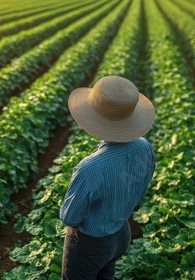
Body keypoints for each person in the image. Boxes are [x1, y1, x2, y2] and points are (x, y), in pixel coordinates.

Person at [60, 76, 156, 279]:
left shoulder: (90, 168)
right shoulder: (144, 146)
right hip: (121, 233)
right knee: (107, 274)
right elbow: (143, 184)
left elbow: (70, 217)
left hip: (91, 245)